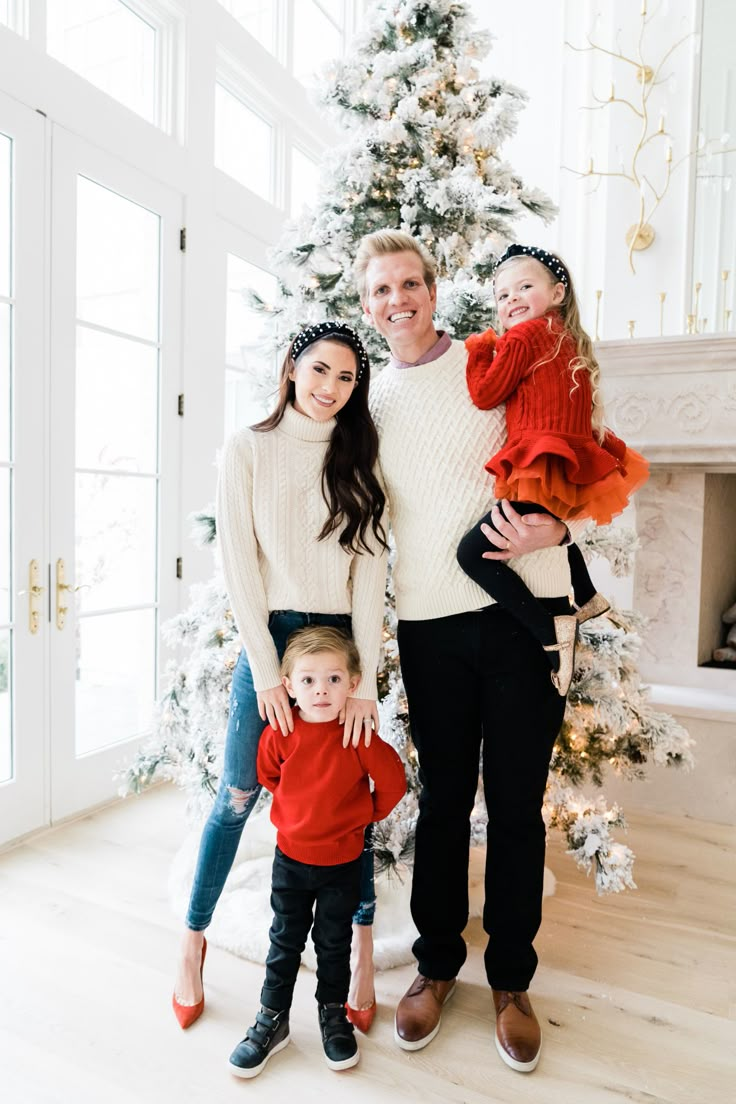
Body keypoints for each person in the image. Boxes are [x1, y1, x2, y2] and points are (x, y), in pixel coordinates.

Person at [355, 228, 582, 1074]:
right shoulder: (366, 399)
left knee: (517, 807)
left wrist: (560, 521)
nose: (398, 300)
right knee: (444, 802)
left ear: (434, 288)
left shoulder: (493, 360)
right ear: (368, 304)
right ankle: (437, 965)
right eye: (381, 290)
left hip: (518, 619)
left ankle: (513, 980)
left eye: (410, 283)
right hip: (427, 624)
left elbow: (570, 439)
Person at [172, 321, 388, 1032]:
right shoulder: (249, 449)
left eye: (347, 378)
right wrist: (266, 671)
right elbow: (237, 563)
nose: (330, 388)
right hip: (273, 645)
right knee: (236, 795)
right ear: (293, 367)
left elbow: (370, 573)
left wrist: (364, 681)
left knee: (348, 806)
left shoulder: (361, 457)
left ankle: (357, 957)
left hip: (340, 652)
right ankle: (193, 943)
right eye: (320, 370)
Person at [457, 243, 648, 695]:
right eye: (502, 295)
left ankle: (549, 628)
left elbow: (486, 393)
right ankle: (585, 594)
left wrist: (482, 347)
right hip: (564, 460)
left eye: (524, 287)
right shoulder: (567, 339)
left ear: (558, 292)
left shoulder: (523, 338)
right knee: (546, 525)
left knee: (471, 555)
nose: (511, 300)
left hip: (536, 460)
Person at [228, 626, 406, 1078]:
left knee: (332, 944)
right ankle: (272, 1019)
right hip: (290, 860)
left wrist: (361, 816)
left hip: (341, 865)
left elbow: (392, 783)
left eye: (332, 679)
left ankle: (333, 1015)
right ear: (288, 686)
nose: (321, 690)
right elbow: (269, 776)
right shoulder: (281, 733)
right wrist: (297, 812)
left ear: (352, 683)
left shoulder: (360, 737)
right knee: (284, 941)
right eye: (308, 680)